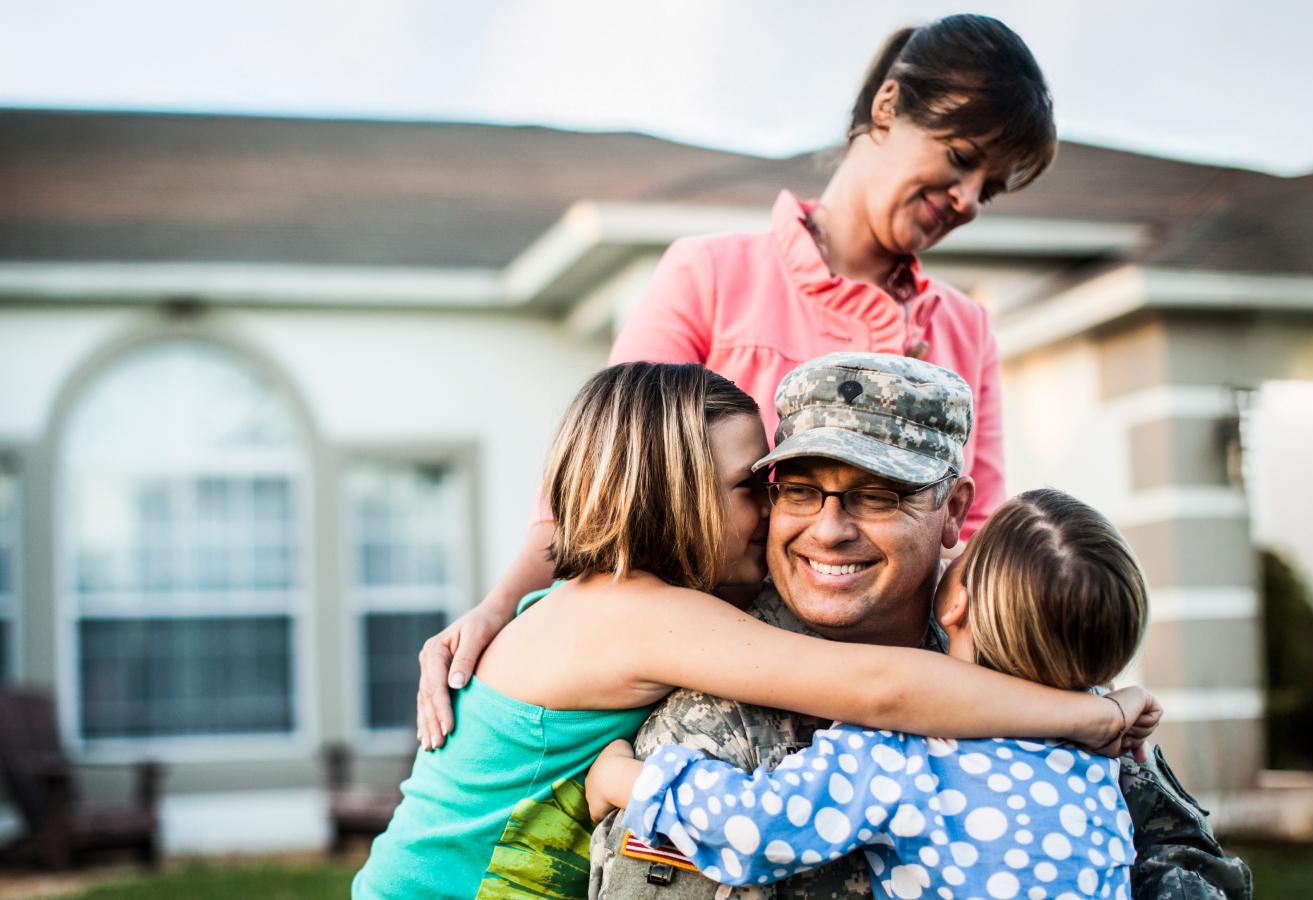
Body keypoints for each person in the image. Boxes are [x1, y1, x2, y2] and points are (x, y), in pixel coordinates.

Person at [415, 15, 1060, 746]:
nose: (970, 199)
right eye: (962, 157)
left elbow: (979, 539)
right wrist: (501, 608)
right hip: (716, 689)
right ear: (887, 107)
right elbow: (603, 481)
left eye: (992, 188)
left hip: (903, 689)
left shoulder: (965, 328)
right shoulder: (711, 276)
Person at [352, 361, 1157, 899]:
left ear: (953, 509)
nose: (783, 518)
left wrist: (496, 601)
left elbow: (569, 529)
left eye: (876, 497)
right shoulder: (644, 616)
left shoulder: (606, 594)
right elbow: (881, 689)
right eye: (761, 488)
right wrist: (1088, 716)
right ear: (672, 497)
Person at [587, 352, 1253, 900]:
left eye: (878, 495)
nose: (830, 529)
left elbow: (1186, 860)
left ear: (955, 509)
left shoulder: (1013, 651)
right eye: (798, 490)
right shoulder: (716, 705)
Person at [585, 489, 1151, 900]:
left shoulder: (902, 752)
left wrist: (628, 779)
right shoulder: (1101, 757)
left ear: (957, 603)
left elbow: (757, 827)